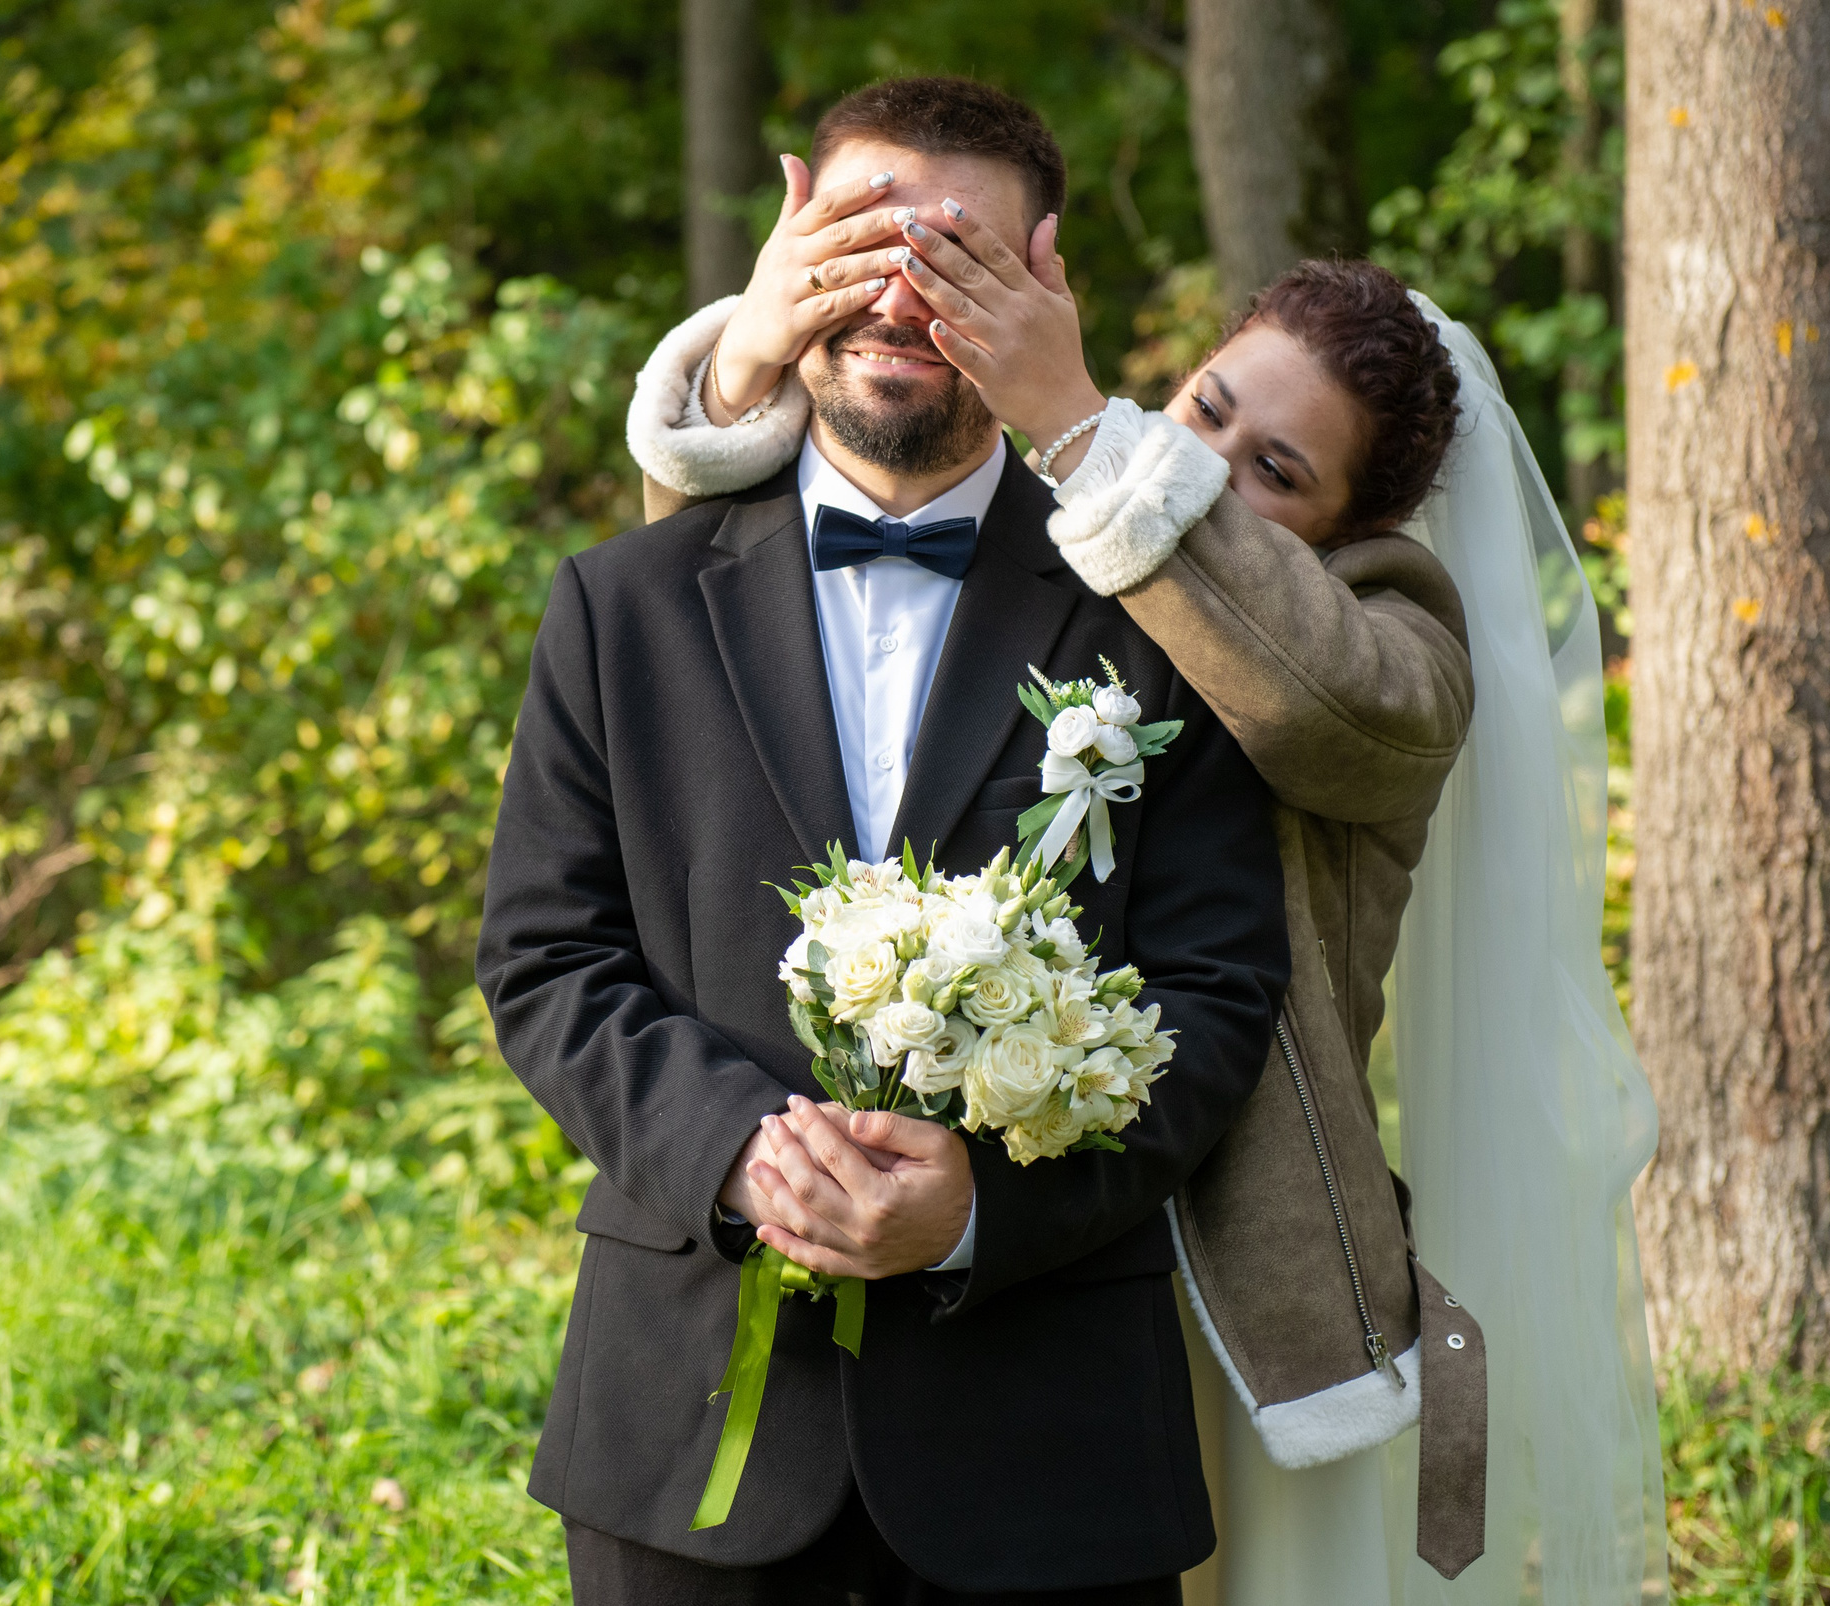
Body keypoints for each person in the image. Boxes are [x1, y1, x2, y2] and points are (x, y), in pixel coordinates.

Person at [628, 126, 1667, 1603]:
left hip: (1229, 1268)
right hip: (998, 1248)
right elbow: (759, 684)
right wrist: (738, 385)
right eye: (1208, 409)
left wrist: (1074, 426)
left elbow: (1311, 692)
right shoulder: (1076, 534)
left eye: (1276, 473)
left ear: (1357, 528)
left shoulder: (1390, 647)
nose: (1204, 469)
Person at [476, 77, 1293, 1605]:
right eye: (858, 243)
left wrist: (981, 1203)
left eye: (958, 260)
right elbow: (544, 957)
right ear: (786, 262)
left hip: (1052, 1442)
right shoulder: (621, 603)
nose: (899, 297)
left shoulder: (1166, 618)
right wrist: (739, 1149)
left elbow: (1218, 991)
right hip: (689, 1437)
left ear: (1045, 283)